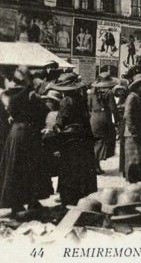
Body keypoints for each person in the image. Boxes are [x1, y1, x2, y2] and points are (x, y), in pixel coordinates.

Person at [0, 67, 52, 217]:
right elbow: (43, 112)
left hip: (16, 133)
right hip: (29, 134)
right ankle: (32, 200)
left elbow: (11, 113)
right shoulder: (32, 96)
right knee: (33, 168)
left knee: (15, 168)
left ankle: (16, 203)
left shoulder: (12, 96)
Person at [50, 72, 97, 205]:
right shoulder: (81, 99)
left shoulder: (66, 100)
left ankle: (69, 200)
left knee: (69, 171)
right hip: (83, 139)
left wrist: (56, 132)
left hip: (70, 140)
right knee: (82, 171)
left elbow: (60, 122)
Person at [123, 74, 141, 183]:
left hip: (140, 132)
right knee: (133, 159)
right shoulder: (132, 97)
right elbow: (128, 116)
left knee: (139, 158)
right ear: (137, 86)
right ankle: (132, 184)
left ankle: (137, 183)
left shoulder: (139, 98)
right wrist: (134, 131)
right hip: (133, 133)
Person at [88, 72, 118, 175]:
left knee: (95, 142)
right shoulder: (109, 93)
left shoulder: (92, 93)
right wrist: (117, 120)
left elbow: (89, 107)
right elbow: (113, 108)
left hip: (94, 118)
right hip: (104, 117)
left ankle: (95, 165)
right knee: (101, 142)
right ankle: (95, 165)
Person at [113, 82, 129, 177]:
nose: (120, 92)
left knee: (125, 145)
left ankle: (125, 168)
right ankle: (123, 168)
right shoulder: (120, 99)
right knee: (123, 145)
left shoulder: (127, 98)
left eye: (121, 90)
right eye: (118, 90)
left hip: (125, 122)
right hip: (121, 123)